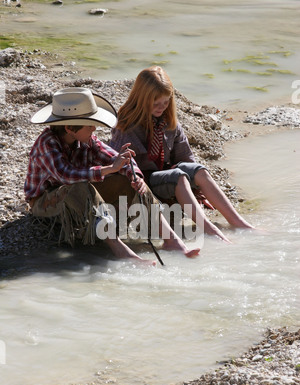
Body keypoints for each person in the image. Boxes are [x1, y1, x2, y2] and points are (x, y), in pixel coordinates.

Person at [24, 86, 200, 263]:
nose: (94, 128)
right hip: (45, 203)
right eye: (90, 125)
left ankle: (172, 240)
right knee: (81, 188)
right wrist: (108, 169)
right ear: (70, 128)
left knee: (128, 180)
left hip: (77, 194)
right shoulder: (46, 143)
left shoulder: (87, 139)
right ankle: (120, 250)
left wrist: (134, 175)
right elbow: (66, 176)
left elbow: (116, 158)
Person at [109, 66, 255, 243]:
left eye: (165, 102)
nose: (161, 107)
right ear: (142, 99)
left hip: (166, 175)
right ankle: (209, 229)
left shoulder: (168, 122)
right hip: (142, 182)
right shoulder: (127, 126)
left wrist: (197, 188)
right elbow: (121, 169)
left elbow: (186, 159)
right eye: (156, 103)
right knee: (179, 176)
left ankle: (238, 222)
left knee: (199, 170)